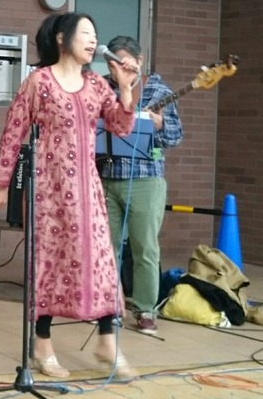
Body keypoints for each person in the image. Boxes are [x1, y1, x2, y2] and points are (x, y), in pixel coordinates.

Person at [0, 13, 139, 379]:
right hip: (50, 192)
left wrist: (124, 89)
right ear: (61, 38)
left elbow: (121, 127)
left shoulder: (96, 84)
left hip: (89, 191)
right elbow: (14, 130)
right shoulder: (39, 81)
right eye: (85, 33)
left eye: (95, 34)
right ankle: (41, 344)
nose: (93, 40)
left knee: (102, 261)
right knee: (50, 263)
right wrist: (2, 181)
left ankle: (107, 340)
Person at [99, 36, 182, 336]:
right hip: (107, 176)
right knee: (106, 247)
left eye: (123, 63)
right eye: (112, 65)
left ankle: (146, 308)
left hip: (146, 179)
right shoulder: (102, 88)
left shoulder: (159, 91)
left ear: (139, 61)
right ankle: (110, 306)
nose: (116, 70)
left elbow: (175, 136)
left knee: (144, 247)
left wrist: (160, 125)